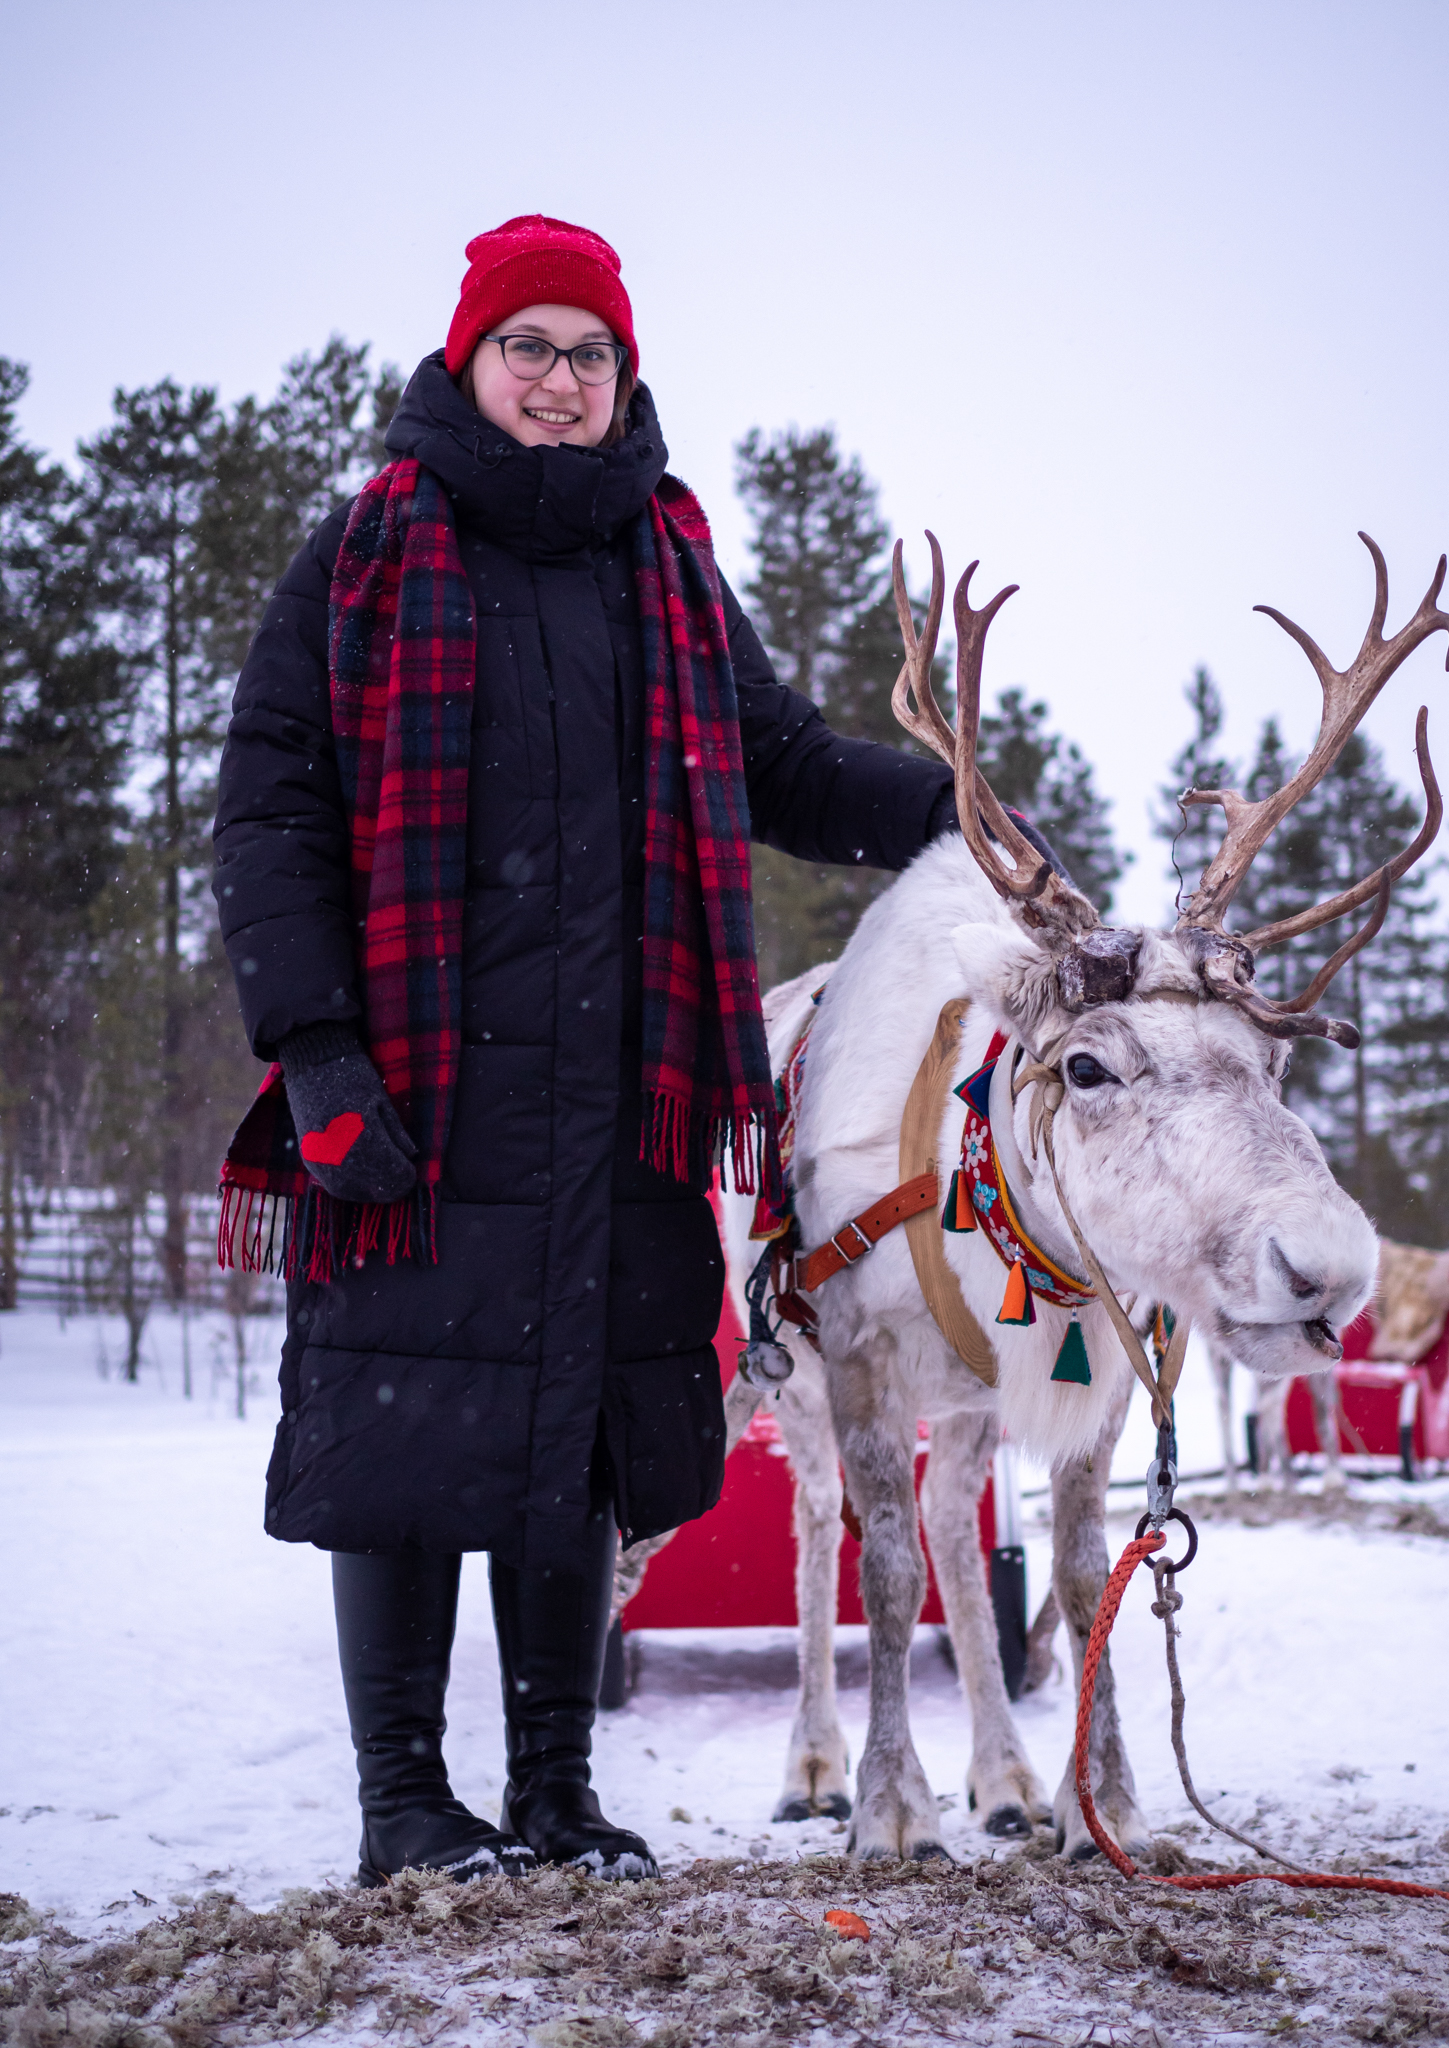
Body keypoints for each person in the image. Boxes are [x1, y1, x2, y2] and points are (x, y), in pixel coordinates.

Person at [212, 213, 1007, 1887]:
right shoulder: (365, 553)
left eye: (592, 355)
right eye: (531, 348)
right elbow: (271, 809)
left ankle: (557, 1793)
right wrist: (316, 1051)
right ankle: (405, 1805)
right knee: (405, 1430)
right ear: (470, 363)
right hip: (419, 1091)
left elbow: (782, 762)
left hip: (617, 1097)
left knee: (575, 1446)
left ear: (623, 378)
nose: (562, 381)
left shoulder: (668, 566)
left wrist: (956, 813)